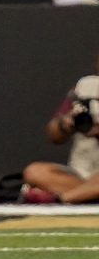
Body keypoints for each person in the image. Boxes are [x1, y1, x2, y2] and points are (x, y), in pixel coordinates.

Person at [21, 69, 99, 205]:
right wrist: (65, 124)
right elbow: (54, 136)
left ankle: (60, 200)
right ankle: (85, 195)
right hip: (80, 175)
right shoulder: (85, 87)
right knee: (34, 172)